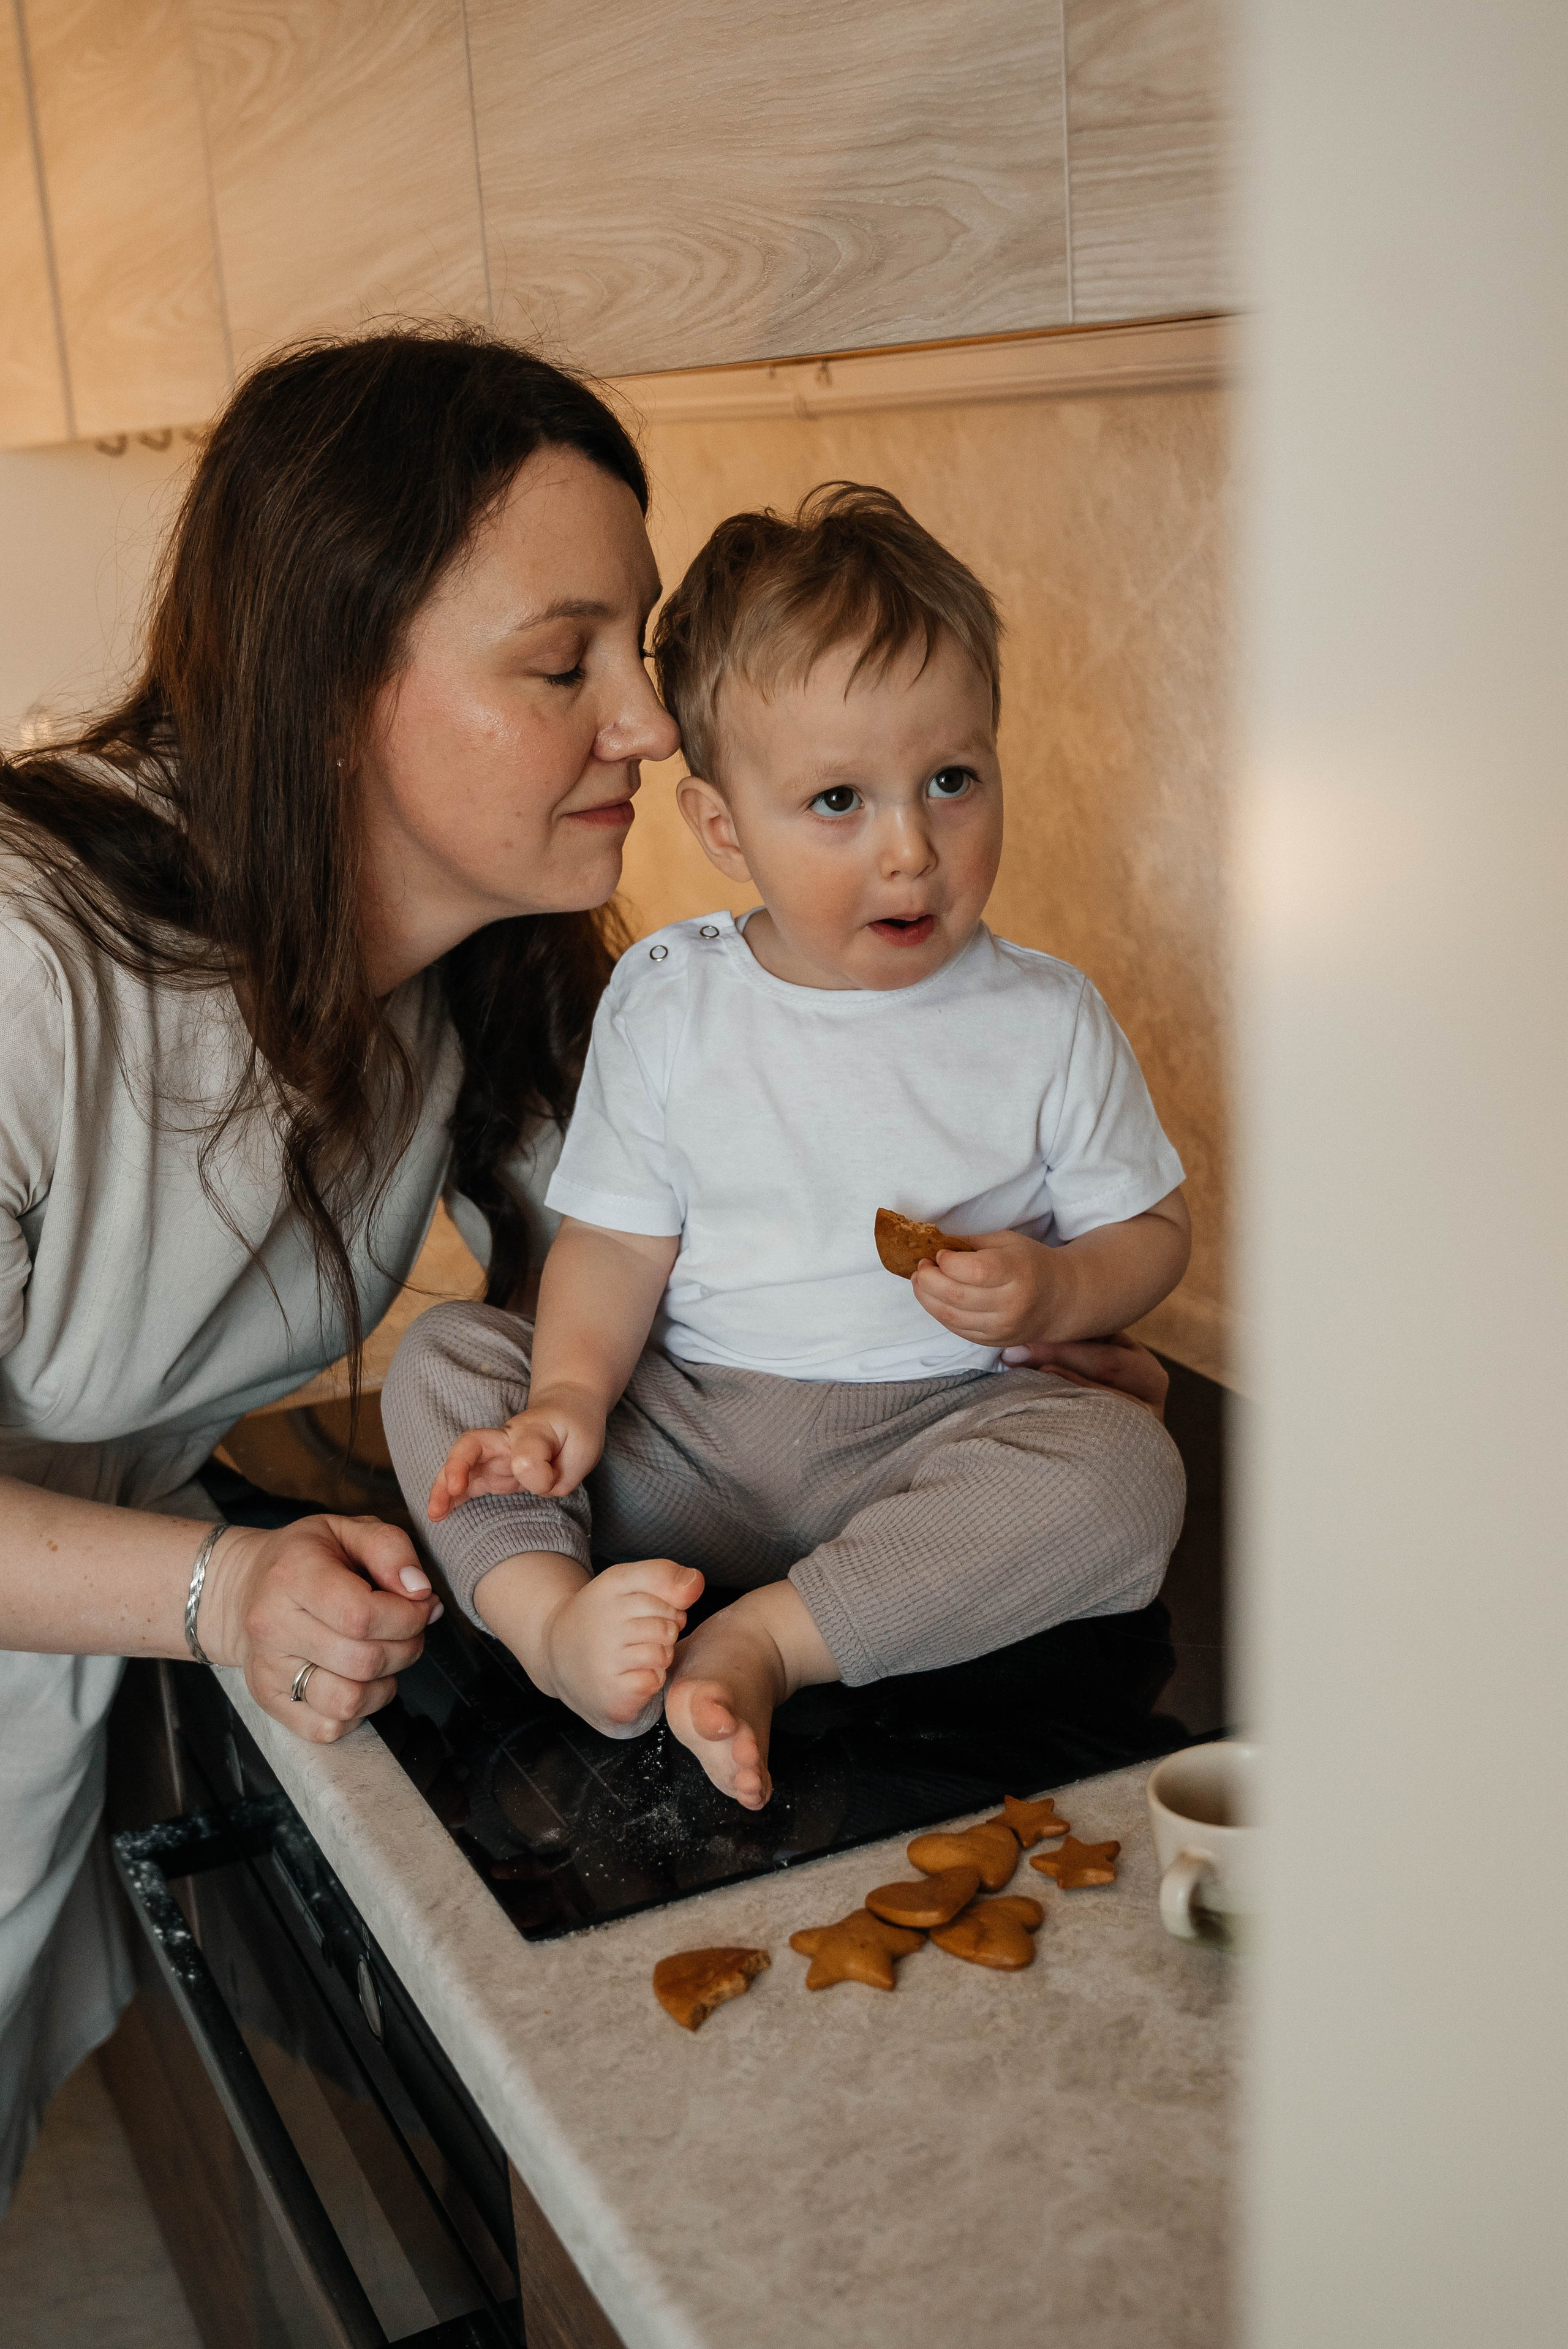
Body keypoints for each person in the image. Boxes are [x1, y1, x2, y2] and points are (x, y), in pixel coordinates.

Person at [0, 328, 686, 2204]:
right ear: (329, 682)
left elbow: (637, 1266)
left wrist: (995, 1329)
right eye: (566, 664)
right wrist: (224, 1591)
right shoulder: (25, 962)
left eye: (640, 648)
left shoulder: (473, 956)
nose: (649, 721)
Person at [381, 485, 1191, 1812]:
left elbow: (1149, 1237)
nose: (908, 849)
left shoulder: (1044, 1018)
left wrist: (1054, 1291)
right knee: (449, 1365)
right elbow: (614, 1239)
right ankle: (552, 1625)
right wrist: (571, 1405)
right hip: (684, 1439)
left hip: (936, 1440)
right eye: (834, 799)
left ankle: (770, 1642)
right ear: (720, 828)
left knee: (1122, 1477)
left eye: (950, 779)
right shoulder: (670, 997)